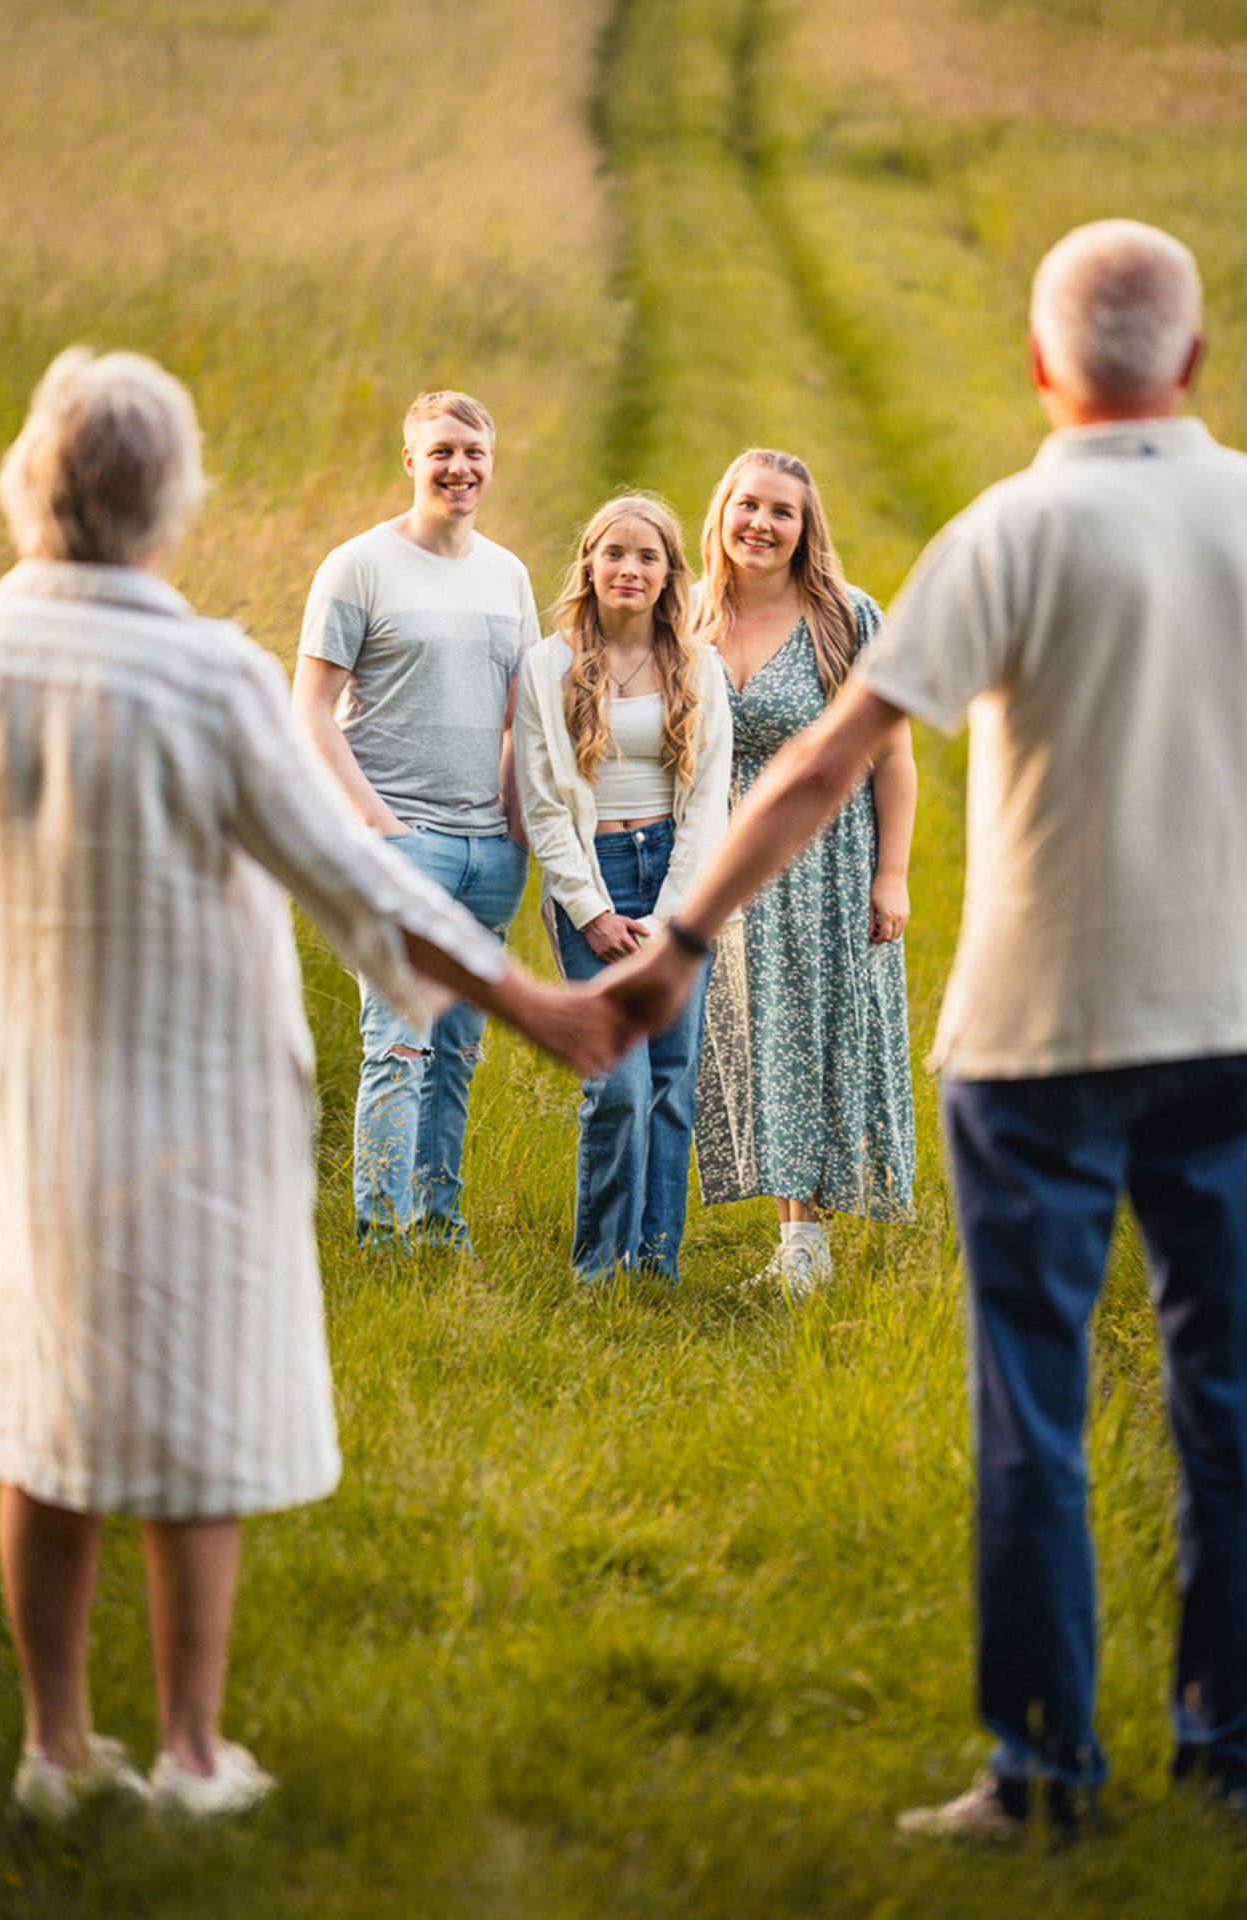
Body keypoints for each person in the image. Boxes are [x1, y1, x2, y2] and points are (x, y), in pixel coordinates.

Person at [598, 220, 1247, 1835]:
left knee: (1032, 1415)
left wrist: (679, 940)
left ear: (1041, 368)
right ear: (1195, 362)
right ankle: (1229, 1751)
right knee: (1229, 1400)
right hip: (1229, 1031)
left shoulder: (1005, 534)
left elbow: (823, 765)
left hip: (1035, 1041)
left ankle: (1042, 1775)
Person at [0, 348, 627, 1822]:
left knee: (42, 1417)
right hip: (189, 1109)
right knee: (199, 1424)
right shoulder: (201, 669)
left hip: (17, 1117)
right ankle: (194, 1755)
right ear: (171, 497)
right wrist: (532, 1001)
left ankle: (53, 1754)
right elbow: (352, 882)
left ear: (30, 481)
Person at [293, 390, 539, 1257]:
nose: (459, 468)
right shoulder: (357, 567)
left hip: (489, 851)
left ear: (490, 461)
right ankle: (381, 1235)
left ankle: (440, 1228)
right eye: (441, 452)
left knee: (458, 1053)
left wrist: (515, 827)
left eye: (474, 452)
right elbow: (312, 710)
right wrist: (378, 826)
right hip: (401, 847)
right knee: (396, 1047)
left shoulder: (506, 574)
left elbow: (523, 716)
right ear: (410, 460)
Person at [691, 450, 916, 1295]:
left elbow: (893, 757)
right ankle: (796, 1246)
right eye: (747, 505)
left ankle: (805, 1250)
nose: (760, 523)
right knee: (757, 1041)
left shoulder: (847, 620)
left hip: (827, 856)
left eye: (781, 511)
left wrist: (890, 875)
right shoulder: (694, 620)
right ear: (721, 514)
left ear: (804, 527)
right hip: (724, 861)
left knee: (817, 1039)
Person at [514, 494, 732, 1282]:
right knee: (617, 1083)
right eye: (614, 553)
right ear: (590, 564)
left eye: (647, 557)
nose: (629, 570)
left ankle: (655, 1263)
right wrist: (592, 909)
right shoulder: (549, 664)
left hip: (676, 873)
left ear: (671, 573)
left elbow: (707, 804)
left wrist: (673, 920)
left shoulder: (698, 666)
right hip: (593, 876)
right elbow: (542, 799)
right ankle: (599, 1266)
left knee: (670, 1080)